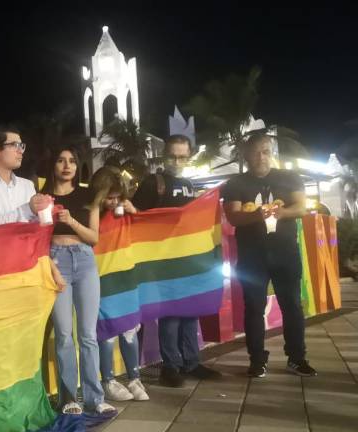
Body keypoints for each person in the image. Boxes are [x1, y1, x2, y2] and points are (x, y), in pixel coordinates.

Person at [222, 132, 316, 378]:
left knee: (293, 306)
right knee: (254, 307)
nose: (261, 157)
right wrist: (258, 215)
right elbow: (233, 216)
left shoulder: (289, 178)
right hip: (252, 256)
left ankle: (297, 358)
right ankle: (256, 360)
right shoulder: (235, 184)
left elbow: (301, 207)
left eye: (265, 151)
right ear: (246, 155)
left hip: (285, 253)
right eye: (255, 152)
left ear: (271, 152)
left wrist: (278, 212)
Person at [131, 134, 221, 387]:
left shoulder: (188, 184)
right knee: (170, 314)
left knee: (190, 310)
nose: (178, 161)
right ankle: (171, 366)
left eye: (183, 156)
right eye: (173, 156)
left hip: (188, 260)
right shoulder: (153, 182)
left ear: (189, 156)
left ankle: (191, 362)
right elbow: (136, 217)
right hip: (162, 260)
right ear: (164, 155)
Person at [41, 146, 115, 415]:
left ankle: (95, 397)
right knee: (63, 334)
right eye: (61, 160)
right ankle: (68, 397)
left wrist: (71, 221)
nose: (67, 165)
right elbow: (38, 238)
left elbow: (94, 237)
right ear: (53, 165)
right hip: (56, 261)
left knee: (88, 334)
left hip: (84, 261)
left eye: (72, 161)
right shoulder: (42, 198)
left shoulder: (88, 195)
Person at [90, 166, 149, 401]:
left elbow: (149, 227)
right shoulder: (90, 213)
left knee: (129, 327)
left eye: (117, 196)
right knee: (106, 330)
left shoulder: (126, 211)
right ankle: (108, 380)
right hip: (101, 276)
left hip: (127, 276)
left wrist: (134, 211)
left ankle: (135, 378)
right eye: (108, 196)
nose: (113, 201)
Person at [0, 125, 51, 225]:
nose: (20, 151)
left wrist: (44, 209)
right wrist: (28, 209)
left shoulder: (27, 185)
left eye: (21, 146)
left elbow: (35, 224)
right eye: (14, 145)